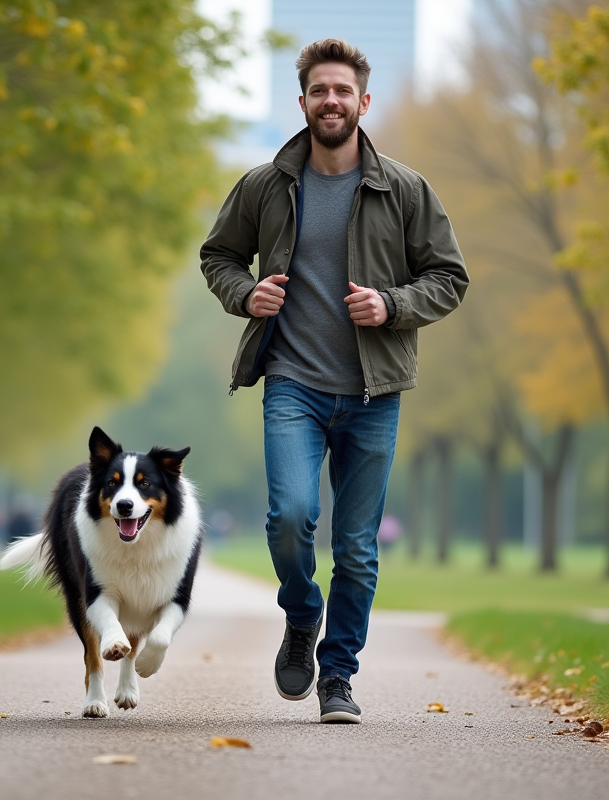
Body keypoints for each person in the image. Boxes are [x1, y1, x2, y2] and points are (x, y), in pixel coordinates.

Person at [199, 38, 469, 724]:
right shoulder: (265, 186)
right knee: (290, 518)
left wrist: (393, 305)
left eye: (342, 91)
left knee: (356, 548)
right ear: (303, 102)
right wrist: (245, 294)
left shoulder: (404, 189)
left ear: (363, 102)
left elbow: (448, 276)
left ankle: (338, 675)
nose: (331, 101)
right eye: (319, 90)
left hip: (374, 393)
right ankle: (301, 614)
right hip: (293, 382)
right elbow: (218, 255)